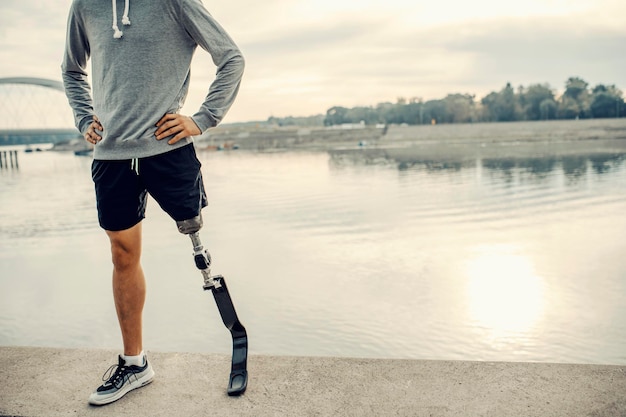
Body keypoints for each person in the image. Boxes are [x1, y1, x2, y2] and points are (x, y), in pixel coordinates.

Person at [61, 0, 244, 406]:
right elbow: (72, 70)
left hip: (168, 148)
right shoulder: (85, 6)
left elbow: (231, 58)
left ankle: (235, 324)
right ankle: (135, 363)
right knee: (122, 254)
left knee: (195, 235)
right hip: (110, 155)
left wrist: (203, 117)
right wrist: (83, 117)